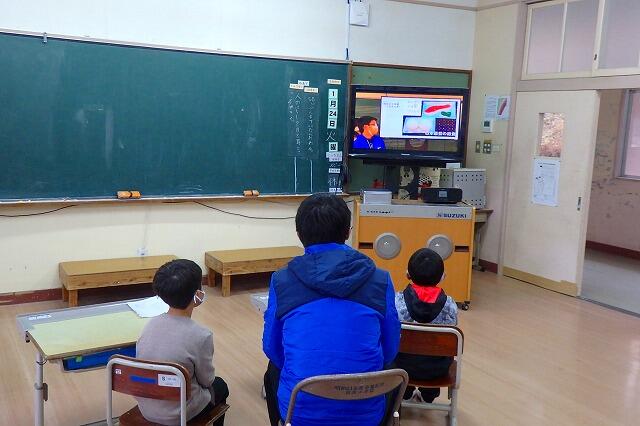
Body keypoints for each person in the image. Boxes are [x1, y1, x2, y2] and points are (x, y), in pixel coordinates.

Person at [262, 193, 400, 426]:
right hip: (366, 414)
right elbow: (390, 350)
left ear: (299, 234)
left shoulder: (281, 280)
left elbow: (272, 348)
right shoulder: (381, 279)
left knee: (273, 370)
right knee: (391, 369)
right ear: (347, 232)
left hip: (301, 412)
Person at [136, 259, 229, 425]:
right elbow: (207, 380)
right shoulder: (201, 335)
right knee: (220, 386)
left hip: (147, 407)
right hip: (179, 413)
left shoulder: (150, 325)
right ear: (197, 294)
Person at [393, 248, 458, 403]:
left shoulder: (397, 301)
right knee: (435, 352)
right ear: (442, 277)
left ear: (407, 274)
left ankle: (405, 393)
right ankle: (429, 395)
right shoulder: (450, 305)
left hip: (401, 367)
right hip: (438, 369)